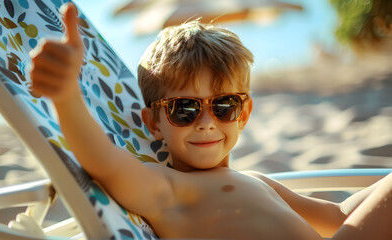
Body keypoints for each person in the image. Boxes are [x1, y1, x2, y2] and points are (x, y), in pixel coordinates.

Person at [30, 3, 392, 240]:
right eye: (184, 108)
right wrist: (66, 96)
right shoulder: (168, 188)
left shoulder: (254, 179)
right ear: (153, 122)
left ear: (244, 113)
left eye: (224, 106)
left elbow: (337, 214)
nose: (205, 122)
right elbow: (104, 161)